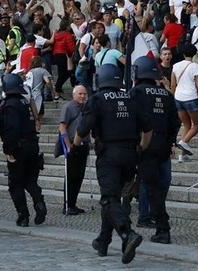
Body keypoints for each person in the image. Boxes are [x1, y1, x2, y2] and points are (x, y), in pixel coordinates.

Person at [75, 64, 152, 263]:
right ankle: (103, 240)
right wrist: (141, 148)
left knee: (109, 199)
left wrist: (76, 144)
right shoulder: (131, 98)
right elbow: (148, 129)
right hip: (130, 155)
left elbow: (83, 129)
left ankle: (128, 234)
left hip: (109, 154)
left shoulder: (97, 99)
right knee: (113, 200)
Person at [131, 56, 180, 244]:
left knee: (152, 189)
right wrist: (169, 143)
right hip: (163, 147)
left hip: (145, 147)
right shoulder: (166, 94)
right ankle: (156, 223)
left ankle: (162, 228)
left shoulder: (136, 93)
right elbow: (174, 123)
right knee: (159, 185)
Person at [0, 73, 46, 228]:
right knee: (30, 180)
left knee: (16, 183)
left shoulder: (9, 104)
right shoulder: (23, 101)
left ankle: (23, 216)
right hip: (33, 146)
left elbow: (11, 129)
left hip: (19, 148)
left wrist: (9, 150)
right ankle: (39, 201)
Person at [59, 85, 89, 215]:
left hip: (83, 145)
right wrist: (67, 145)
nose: (83, 96)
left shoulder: (86, 107)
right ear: (74, 95)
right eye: (80, 94)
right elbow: (62, 127)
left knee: (79, 176)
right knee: (71, 176)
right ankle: (68, 204)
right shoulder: (68, 107)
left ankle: (73, 203)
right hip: (72, 144)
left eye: (84, 94)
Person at [171, 45, 198, 161]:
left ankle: (182, 155)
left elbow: (173, 85)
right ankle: (184, 142)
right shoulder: (196, 67)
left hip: (178, 98)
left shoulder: (175, 66)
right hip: (190, 97)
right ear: (194, 54)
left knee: (186, 125)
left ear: (183, 54)